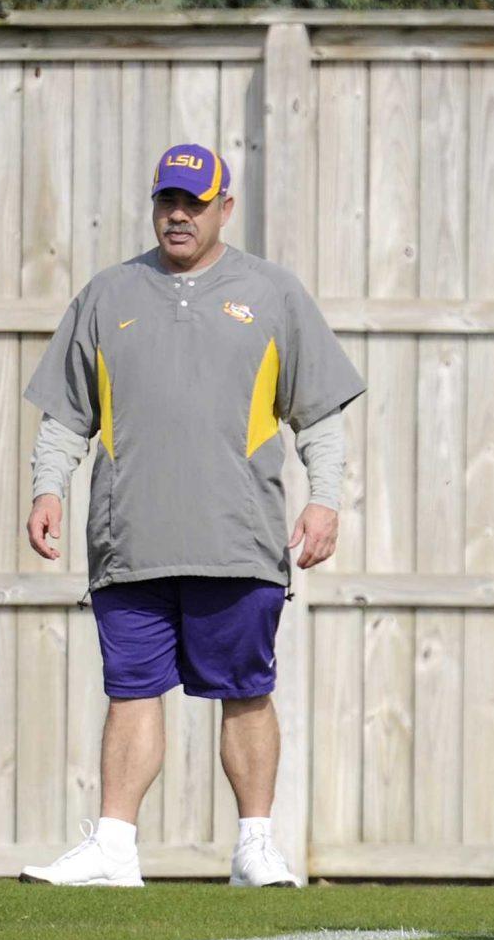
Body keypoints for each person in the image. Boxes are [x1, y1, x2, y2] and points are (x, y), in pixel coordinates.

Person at [19, 144, 365, 888]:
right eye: (166, 201)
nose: (178, 215)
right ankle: (114, 848)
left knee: (245, 690)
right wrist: (48, 488)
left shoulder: (273, 294)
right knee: (129, 692)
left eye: (194, 203)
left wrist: (326, 498)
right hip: (129, 539)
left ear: (224, 209)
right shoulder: (108, 296)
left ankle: (255, 848)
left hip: (237, 541)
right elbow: (65, 415)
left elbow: (321, 417)